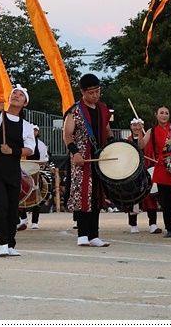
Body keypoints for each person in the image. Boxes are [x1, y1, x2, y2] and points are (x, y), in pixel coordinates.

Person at [0, 85, 35, 257]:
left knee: (13, 208)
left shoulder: (27, 126)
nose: (16, 96)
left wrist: (12, 151)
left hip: (13, 169)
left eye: (21, 95)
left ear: (25, 103)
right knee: (1, 205)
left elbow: (30, 149)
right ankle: (3, 244)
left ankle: (11, 243)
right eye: (14, 93)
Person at [63, 74, 113, 248]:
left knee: (97, 196)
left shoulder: (103, 109)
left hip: (100, 158)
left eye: (98, 91)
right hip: (82, 158)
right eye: (91, 92)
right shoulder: (75, 111)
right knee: (83, 195)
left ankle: (94, 235)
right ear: (83, 92)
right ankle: (82, 234)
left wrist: (114, 146)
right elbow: (67, 134)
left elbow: (107, 130)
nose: (95, 95)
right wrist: (75, 153)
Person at [138, 105, 171, 238]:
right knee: (165, 201)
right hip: (162, 167)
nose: (164, 115)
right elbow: (141, 145)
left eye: (166, 113)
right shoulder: (152, 131)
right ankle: (170, 228)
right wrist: (139, 131)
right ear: (156, 115)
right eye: (161, 113)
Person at [126, 118, 161, 234]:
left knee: (150, 198)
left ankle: (153, 224)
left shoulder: (148, 140)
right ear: (131, 127)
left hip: (146, 170)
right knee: (133, 199)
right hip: (133, 172)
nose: (136, 128)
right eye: (134, 125)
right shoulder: (128, 141)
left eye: (139, 125)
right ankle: (133, 225)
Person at [19, 125, 49, 230]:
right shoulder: (21, 143)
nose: (33, 132)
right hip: (22, 172)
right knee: (20, 195)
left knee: (36, 196)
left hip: (34, 172)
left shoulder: (40, 145)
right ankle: (23, 218)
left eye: (35, 130)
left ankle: (35, 221)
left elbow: (43, 161)